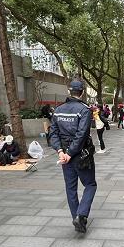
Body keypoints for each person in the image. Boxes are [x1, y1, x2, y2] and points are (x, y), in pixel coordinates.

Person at [49, 80, 97, 233]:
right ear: (82, 92)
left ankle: (77, 218)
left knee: (70, 188)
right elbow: (82, 134)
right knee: (90, 184)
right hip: (80, 154)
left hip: (64, 154)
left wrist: (60, 151)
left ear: (69, 91)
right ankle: (81, 216)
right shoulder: (84, 110)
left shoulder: (58, 110)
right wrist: (69, 153)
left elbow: (53, 133)